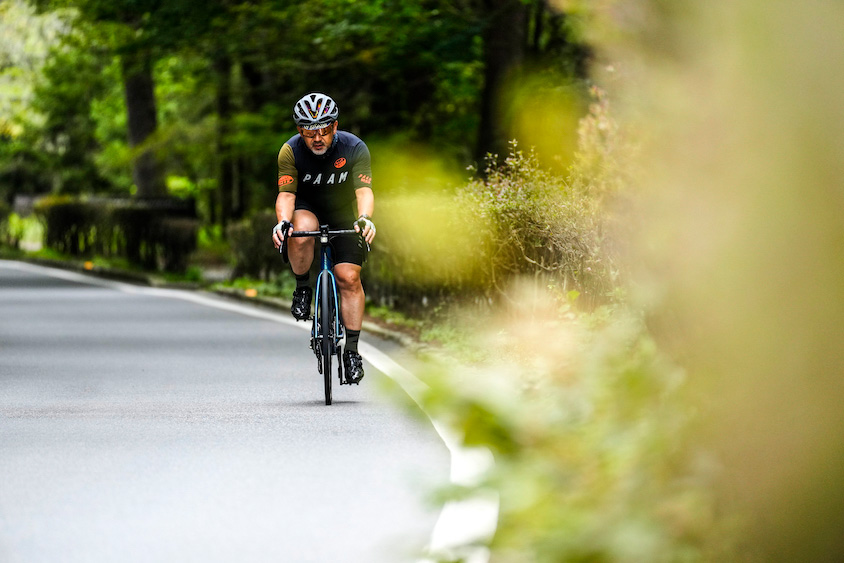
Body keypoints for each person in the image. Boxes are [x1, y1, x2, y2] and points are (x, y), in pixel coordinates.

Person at [271, 92, 376, 384]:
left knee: (349, 278)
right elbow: (286, 195)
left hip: (343, 213)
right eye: (309, 131)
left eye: (325, 130)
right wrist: (282, 222)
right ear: (299, 131)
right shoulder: (290, 151)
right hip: (308, 209)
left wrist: (365, 218)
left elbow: (364, 191)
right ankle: (303, 287)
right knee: (301, 230)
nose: (317, 137)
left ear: (335, 126)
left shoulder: (354, 147)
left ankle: (352, 351)